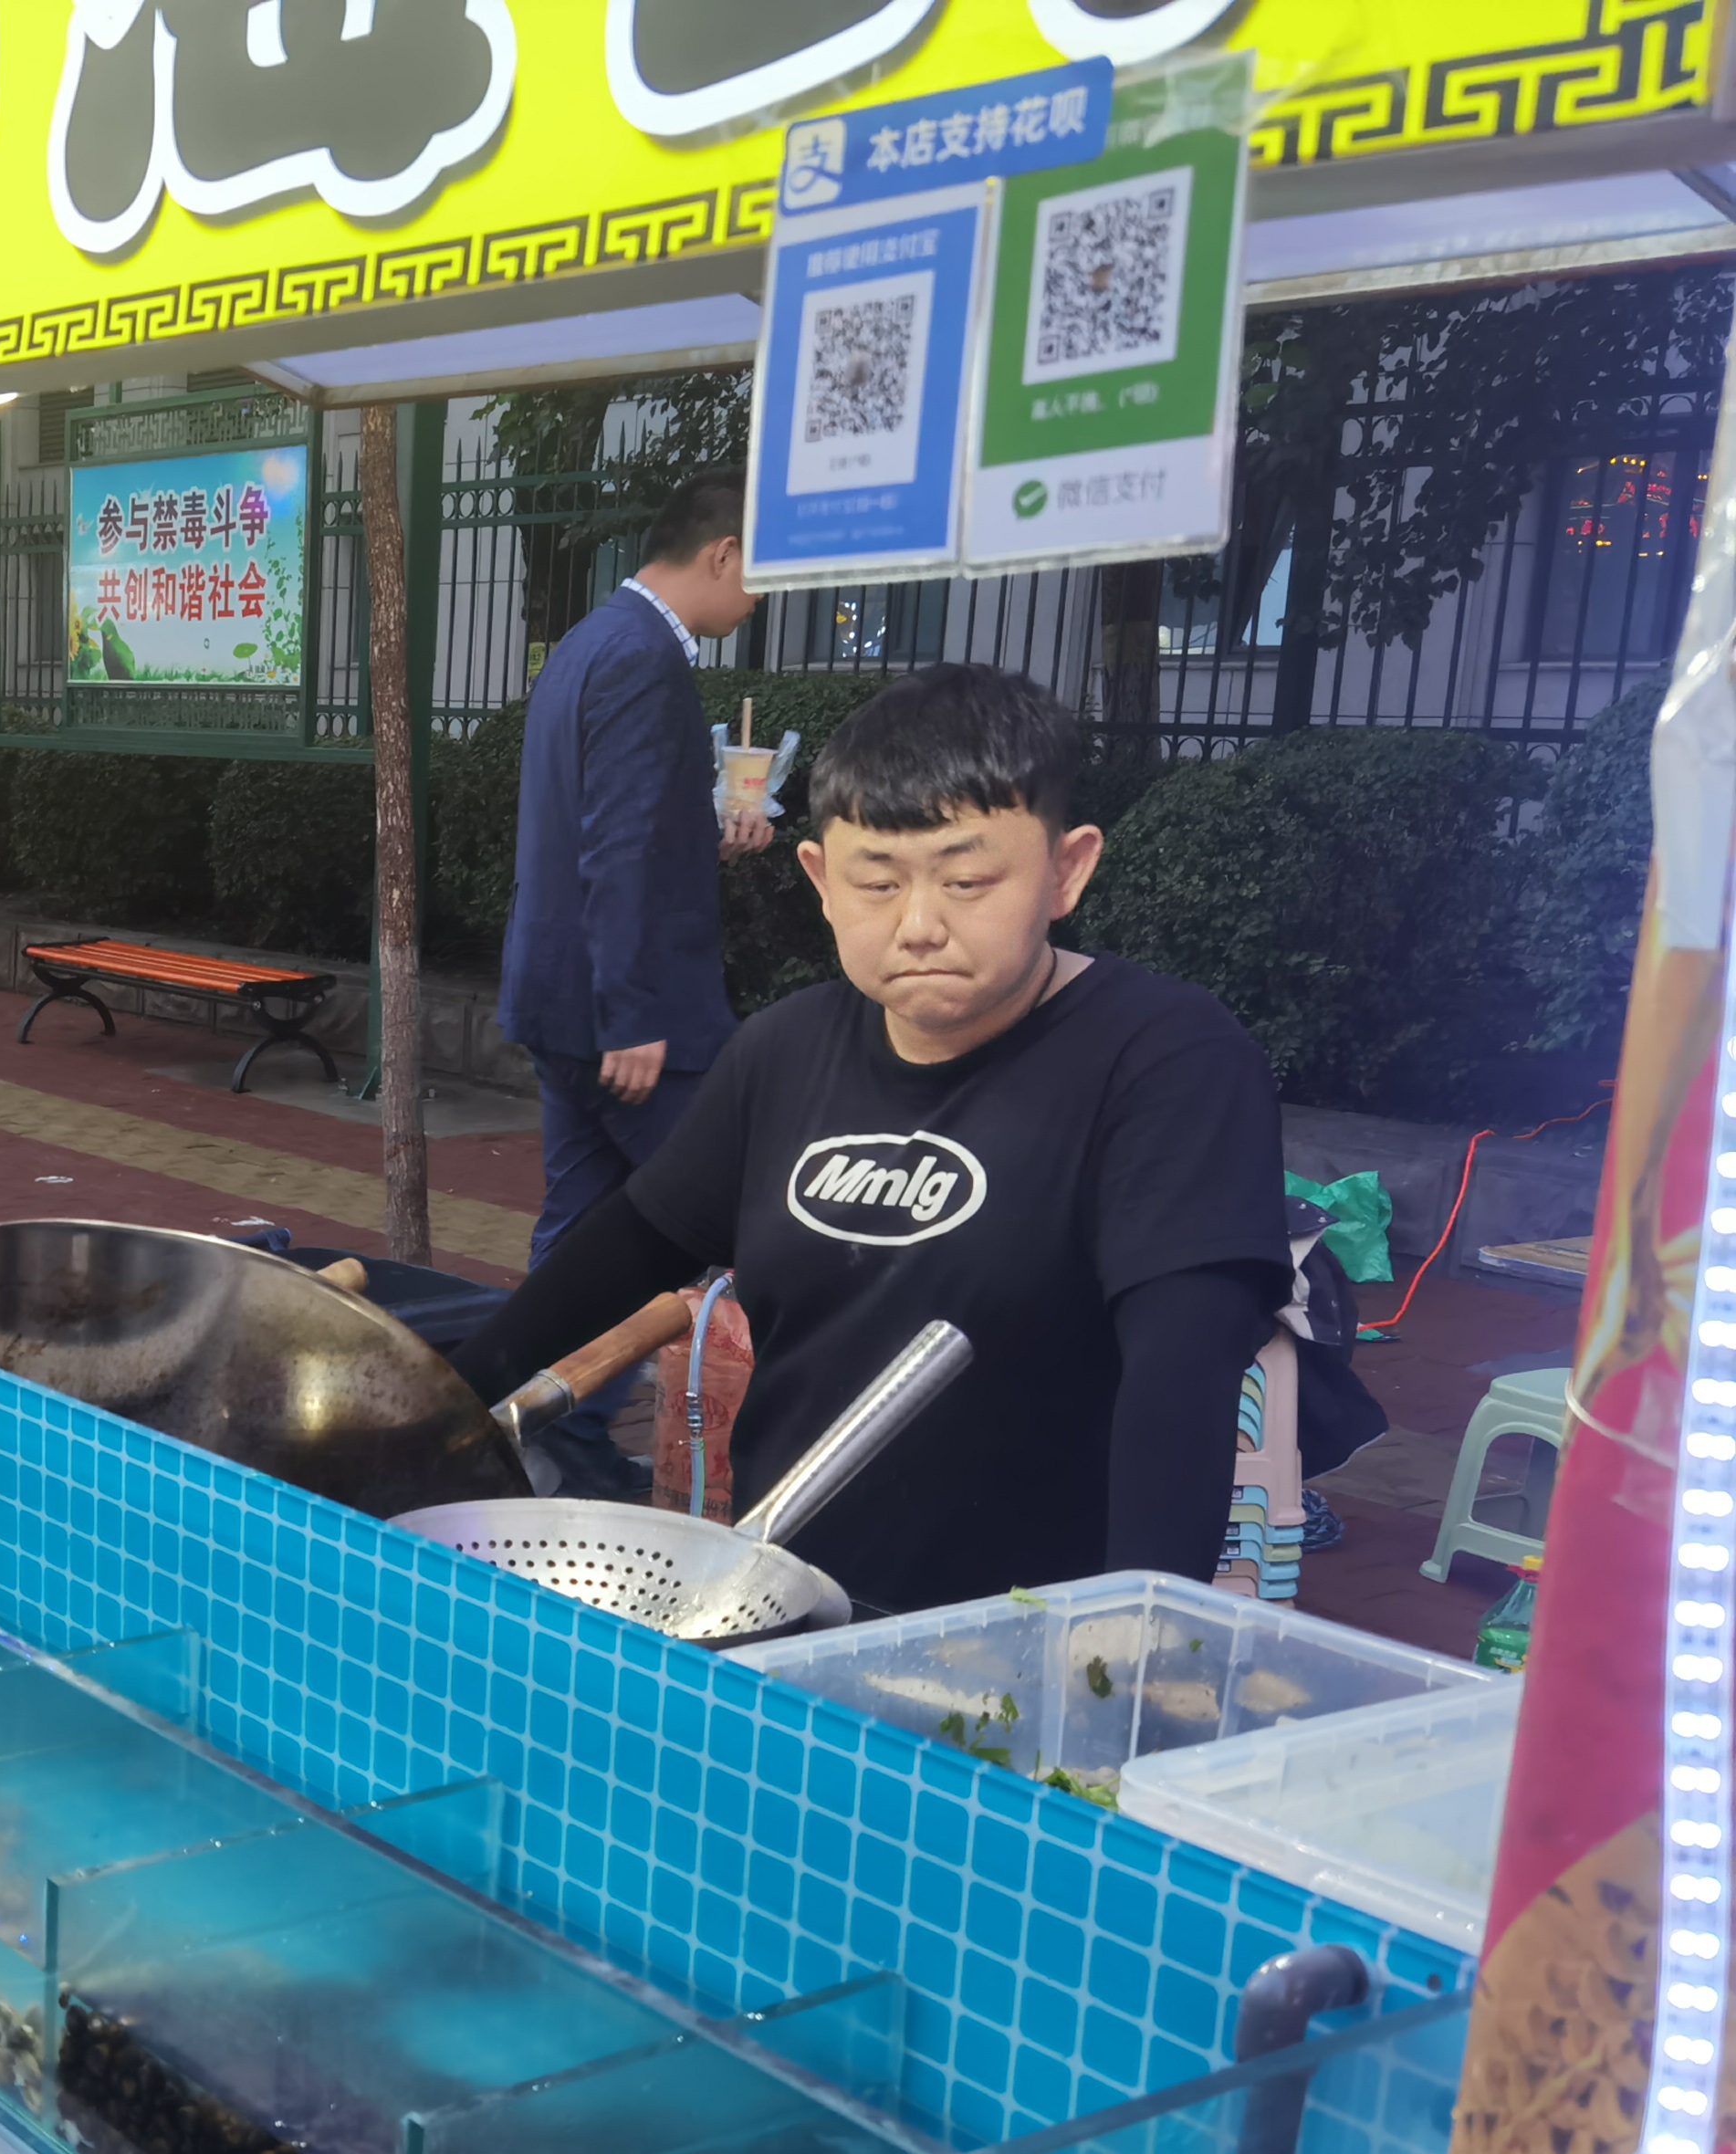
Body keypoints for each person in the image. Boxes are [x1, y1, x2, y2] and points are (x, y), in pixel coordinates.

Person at [448, 664, 1292, 1619]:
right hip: (785, 1604)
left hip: (1026, 1632)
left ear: (1067, 870)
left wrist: (1133, 1633)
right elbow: (638, 1239)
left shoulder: (1166, 1060)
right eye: (878, 883)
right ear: (820, 879)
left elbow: (1181, 1379)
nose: (919, 926)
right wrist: (444, 1398)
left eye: (967, 882)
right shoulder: (785, 1050)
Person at [497, 468, 778, 1494]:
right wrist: (634, 1013)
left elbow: (616, 832)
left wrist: (707, 833)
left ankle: (538, 1425)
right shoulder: (645, 659)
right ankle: (724, 1456)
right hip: (629, 1017)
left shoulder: (589, 643)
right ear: (723, 553)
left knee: (580, 1228)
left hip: (561, 1000)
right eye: (761, 578)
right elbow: (614, 848)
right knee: (733, 1221)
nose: (759, 602)